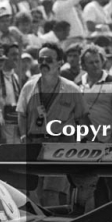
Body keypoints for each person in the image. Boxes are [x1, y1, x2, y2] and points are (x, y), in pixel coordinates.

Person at [17, 43, 89, 207]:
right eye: (40, 59)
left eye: (48, 59)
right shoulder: (29, 86)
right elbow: (21, 114)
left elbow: (83, 119)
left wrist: (86, 145)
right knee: (38, 195)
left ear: (60, 62)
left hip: (60, 146)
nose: (44, 62)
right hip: (35, 146)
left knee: (53, 194)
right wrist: (23, 136)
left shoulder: (72, 89)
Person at [77, 44, 112, 207]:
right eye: (90, 62)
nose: (95, 65)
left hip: (107, 139)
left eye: (97, 61)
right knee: (91, 183)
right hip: (85, 140)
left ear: (102, 62)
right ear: (84, 65)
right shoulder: (78, 83)